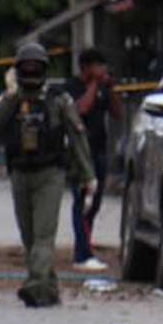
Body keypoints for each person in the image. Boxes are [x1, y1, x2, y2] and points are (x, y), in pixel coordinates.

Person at [0, 41, 94, 308]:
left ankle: (34, 284)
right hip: (20, 173)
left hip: (50, 174)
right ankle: (48, 288)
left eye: (36, 67)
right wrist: (11, 96)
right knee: (29, 237)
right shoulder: (12, 100)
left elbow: (76, 136)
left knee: (43, 235)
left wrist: (88, 176)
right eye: (26, 67)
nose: (31, 72)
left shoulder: (57, 99)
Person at [65, 48, 123, 270]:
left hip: (99, 149)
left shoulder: (102, 89)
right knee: (82, 201)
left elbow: (117, 113)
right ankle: (82, 254)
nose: (101, 70)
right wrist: (93, 85)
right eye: (97, 66)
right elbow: (81, 109)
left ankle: (85, 246)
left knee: (95, 202)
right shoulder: (71, 87)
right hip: (79, 152)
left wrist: (109, 89)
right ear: (86, 67)